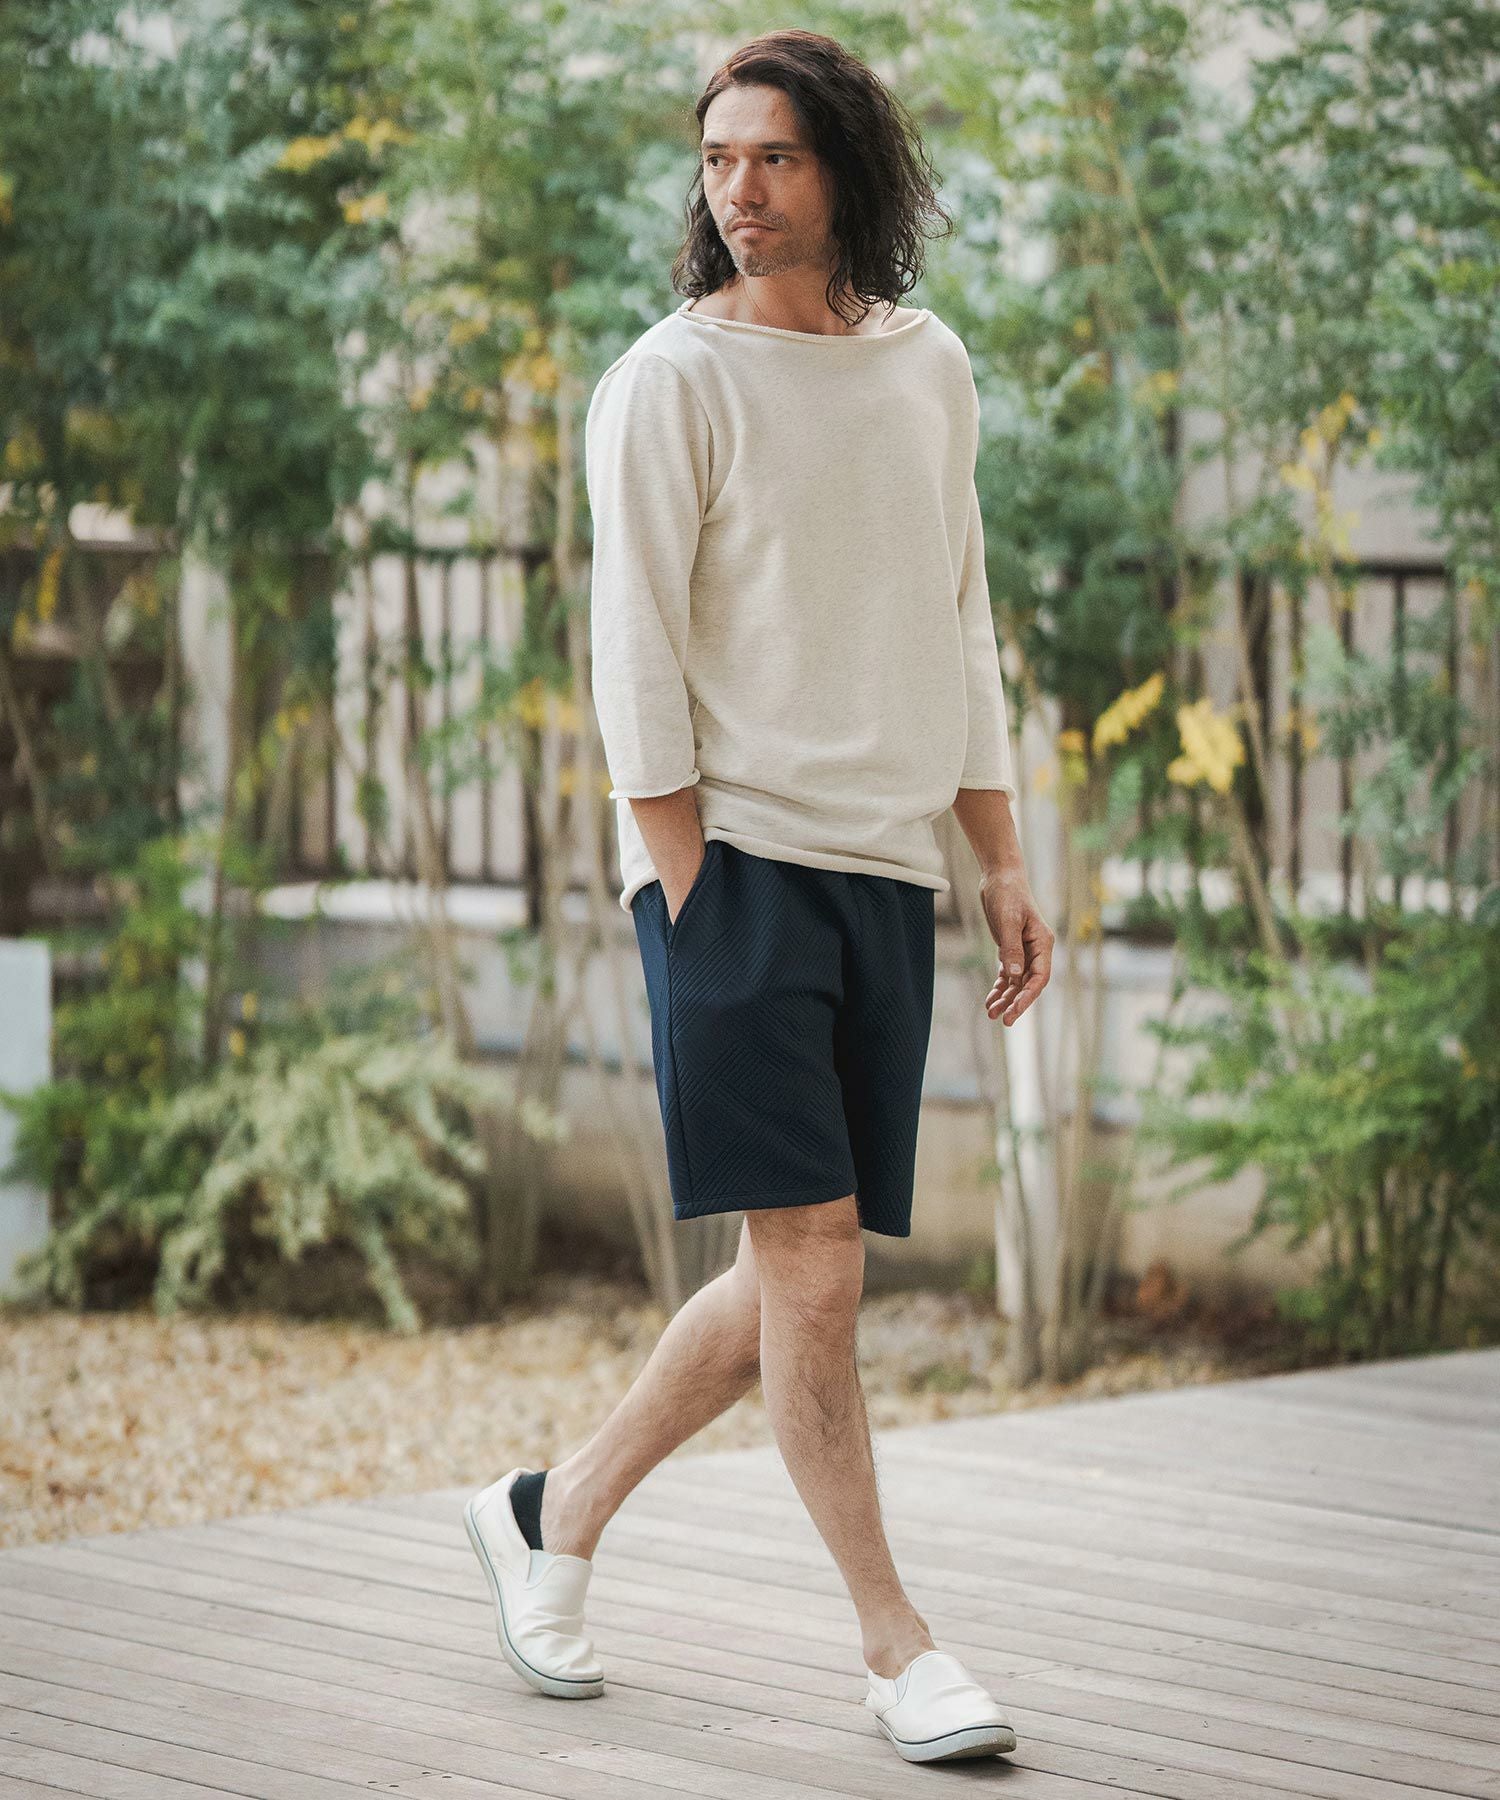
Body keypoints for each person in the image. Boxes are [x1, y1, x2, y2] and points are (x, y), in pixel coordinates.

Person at [464, 27, 1053, 1766]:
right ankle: (897, 1647)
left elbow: (961, 616)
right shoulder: (669, 381)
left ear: (847, 166)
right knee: (816, 1270)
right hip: (734, 878)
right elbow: (631, 653)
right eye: (718, 158)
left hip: (884, 871)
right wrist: (691, 886)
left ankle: (550, 1516)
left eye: (774, 155)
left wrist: (1000, 854)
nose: (739, 189)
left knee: (790, 1269)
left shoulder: (926, 367)